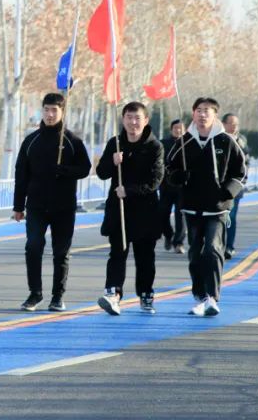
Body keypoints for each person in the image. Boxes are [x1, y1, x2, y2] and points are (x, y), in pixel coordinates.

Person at [166, 97, 247, 317]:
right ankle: (200, 296)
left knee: (212, 249)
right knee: (195, 253)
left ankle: (212, 297)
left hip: (217, 208)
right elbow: (169, 169)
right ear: (193, 114)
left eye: (207, 111)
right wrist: (178, 177)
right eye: (199, 110)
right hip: (192, 207)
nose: (202, 115)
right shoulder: (184, 142)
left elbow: (241, 172)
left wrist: (226, 192)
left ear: (215, 115)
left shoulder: (226, 141)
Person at [12, 92, 92, 312]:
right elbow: (21, 174)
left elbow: (85, 168)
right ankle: (35, 293)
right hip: (36, 205)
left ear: (62, 112)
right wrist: (18, 206)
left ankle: (57, 296)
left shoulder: (72, 141)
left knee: (61, 252)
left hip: (64, 207)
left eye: (54, 110)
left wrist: (65, 171)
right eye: (46, 110)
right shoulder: (31, 141)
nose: (49, 114)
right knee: (33, 246)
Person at [95, 101, 165, 316]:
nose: (133, 122)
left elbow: (156, 180)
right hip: (119, 210)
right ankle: (113, 294)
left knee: (145, 257)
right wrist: (112, 162)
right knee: (117, 253)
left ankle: (146, 294)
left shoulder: (154, 147)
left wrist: (130, 190)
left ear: (145, 120)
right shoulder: (115, 143)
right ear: (123, 119)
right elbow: (101, 172)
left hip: (145, 211)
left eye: (137, 118)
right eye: (129, 117)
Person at [221, 113, 250, 260]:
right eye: (231, 123)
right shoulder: (217, 139)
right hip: (218, 187)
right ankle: (217, 245)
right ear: (223, 124)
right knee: (218, 218)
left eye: (236, 124)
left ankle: (229, 247)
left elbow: (246, 166)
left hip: (234, 188)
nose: (234, 126)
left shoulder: (241, 142)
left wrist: (239, 185)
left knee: (230, 217)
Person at [159, 120, 187, 254]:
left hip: (182, 187)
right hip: (166, 185)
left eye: (181, 128)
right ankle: (168, 235)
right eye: (176, 128)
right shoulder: (163, 144)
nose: (178, 130)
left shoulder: (188, 144)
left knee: (180, 216)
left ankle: (178, 242)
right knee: (162, 214)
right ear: (171, 130)